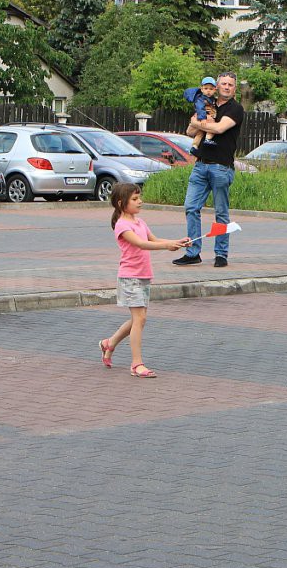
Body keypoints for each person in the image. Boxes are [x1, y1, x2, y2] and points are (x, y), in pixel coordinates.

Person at [99, 183, 190, 378]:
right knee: (140, 319)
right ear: (121, 202)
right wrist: (167, 246)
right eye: (134, 199)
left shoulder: (140, 222)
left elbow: (153, 239)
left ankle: (110, 343)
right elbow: (141, 244)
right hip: (130, 277)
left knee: (137, 319)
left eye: (139, 197)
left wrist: (177, 242)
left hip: (144, 275)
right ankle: (136, 364)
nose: (140, 201)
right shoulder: (123, 225)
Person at [173, 72, 244, 268]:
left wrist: (196, 122)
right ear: (216, 86)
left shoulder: (235, 109)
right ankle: (193, 251)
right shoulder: (205, 103)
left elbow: (219, 129)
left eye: (231, 84)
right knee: (191, 207)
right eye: (224, 84)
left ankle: (221, 254)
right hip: (200, 164)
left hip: (221, 167)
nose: (227, 87)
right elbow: (190, 132)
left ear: (234, 88)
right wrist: (198, 123)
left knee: (221, 212)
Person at [183, 76, 218, 152]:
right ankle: (208, 139)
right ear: (201, 89)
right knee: (212, 125)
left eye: (211, 89)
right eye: (206, 88)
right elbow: (200, 108)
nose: (208, 91)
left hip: (203, 119)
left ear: (215, 90)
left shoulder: (212, 99)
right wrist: (203, 118)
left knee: (200, 133)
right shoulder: (201, 99)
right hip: (204, 118)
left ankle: (194, 146)